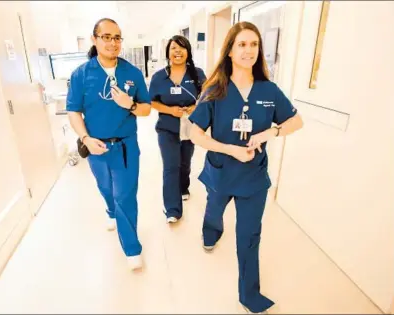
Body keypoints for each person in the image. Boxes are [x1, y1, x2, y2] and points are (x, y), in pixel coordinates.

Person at [188, 22, 303, 313]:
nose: (248, 50)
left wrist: (271, 132)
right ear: (229, 51)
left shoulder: (269, 90)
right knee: (214, 212)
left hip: (253, 177)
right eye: (241, 44)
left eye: (253, 44)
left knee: (250, 235)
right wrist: (229, 149)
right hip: (221, 170)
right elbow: (194, 133)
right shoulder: (214, 90)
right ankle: (210, 232)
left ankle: (249, 295)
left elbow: (296, 121)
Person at [66, 18, 151, 271]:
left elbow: (146, 109)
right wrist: (85, 139)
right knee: (106, 189)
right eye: (107, 37)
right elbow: (73, 111)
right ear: (95, 39)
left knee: (125, 195)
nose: (113, 43)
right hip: (96, 147)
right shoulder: (81, 74)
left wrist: (131, 105)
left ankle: (132, 248)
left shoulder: (132, 74)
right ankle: (110, 211)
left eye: (117, 38)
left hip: (125, 146)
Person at [149, 35, 206, 224]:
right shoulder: (159, 77)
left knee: (185, 163)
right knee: (170, 166)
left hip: (190, 126)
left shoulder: (197, 74)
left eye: (182, 48)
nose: (177, 52)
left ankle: (183, 187)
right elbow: (151, 102)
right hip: (167, 128)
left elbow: (207, 96)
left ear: (188, 52)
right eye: (173, 48)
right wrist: (170, 110)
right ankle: (173, 209)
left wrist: (195, 107)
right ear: (168, 53)